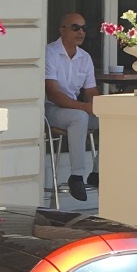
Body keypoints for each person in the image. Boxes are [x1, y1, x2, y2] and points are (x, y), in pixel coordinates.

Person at [44, 13, 99, 201]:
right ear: (62, 29)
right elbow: (53, 93)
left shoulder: (85, 57)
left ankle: (97, 173)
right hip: (51, 109)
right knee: (80, 117)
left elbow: (91, 91)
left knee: (110, 117)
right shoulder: (49, 53)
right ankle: (76, 175)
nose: (81, 32)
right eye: (76, 27)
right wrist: (85, 107)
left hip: (74, 108)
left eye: (84, 28)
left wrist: (97, 107)